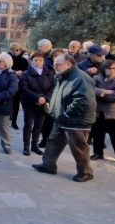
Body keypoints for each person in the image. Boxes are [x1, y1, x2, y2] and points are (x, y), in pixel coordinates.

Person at [32, 54, 97, 182]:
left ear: (68, 64)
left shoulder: (80, 78)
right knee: (53, 142)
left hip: (75, 121)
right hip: (62, 119)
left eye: (57, 65)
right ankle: (48, 165)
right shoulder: (65, 76)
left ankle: (86, 172)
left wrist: (66, 114)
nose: (54, 67)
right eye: (54, 65)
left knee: (78, 147)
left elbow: (83, 101)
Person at [90, 60, 115, 165]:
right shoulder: (96, 78)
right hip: (100, 112)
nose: (112, 70)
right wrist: (103, 92)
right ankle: (98, 152)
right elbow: (90, 90)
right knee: (98, 134)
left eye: (114, 68)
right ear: (104, 69)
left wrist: (100, 95)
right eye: (109, 68)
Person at [19, 51, 55, 156]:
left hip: (44, 103)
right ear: (31, 61)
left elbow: (53, 87)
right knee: (28, 125)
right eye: (36, 60)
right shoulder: (26, 74)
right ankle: (26, 146)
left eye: (40, 60)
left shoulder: (48, 73)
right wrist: (38, 97)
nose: (38, 62)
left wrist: (45, 98)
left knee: (39, 125)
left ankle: (34, 145)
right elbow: (24, 89)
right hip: (30, 103)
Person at [9, 42, 29, 130]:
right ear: (12, 50)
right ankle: (9, 117)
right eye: (17, 49)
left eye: (20, 49)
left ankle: (14, 121)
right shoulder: (8, 58)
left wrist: (22, 73)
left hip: (19, 84)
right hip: (9, 84)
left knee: (16, 103)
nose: (19, 51)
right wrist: (14, 72)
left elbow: (27, 71)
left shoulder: (23, 60)